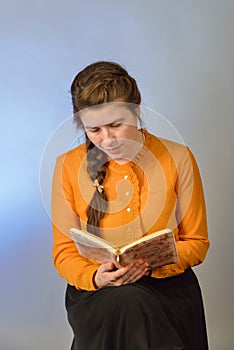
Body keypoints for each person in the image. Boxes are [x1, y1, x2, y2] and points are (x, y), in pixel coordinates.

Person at [51, 61, 210, 350]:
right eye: (94, 130)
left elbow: (197, 242)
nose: (107, 140)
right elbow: (64, 252)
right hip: (97, 288)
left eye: (116, 125)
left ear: (136, 112)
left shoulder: (179, 157)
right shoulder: (67, 165)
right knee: (127, 301)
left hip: (166, 284)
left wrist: (148, 267)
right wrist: (96, 276)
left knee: (134, 302)